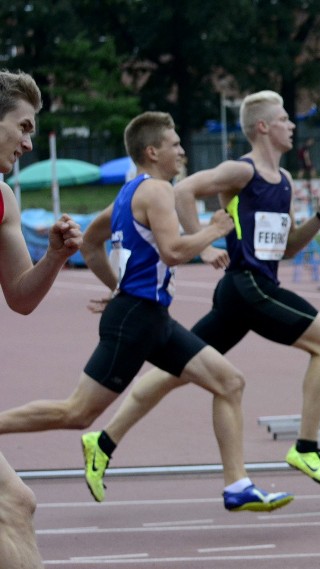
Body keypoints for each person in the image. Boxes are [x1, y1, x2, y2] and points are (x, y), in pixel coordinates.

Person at [0, 110, 293, 514]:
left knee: (229, 382)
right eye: (175, 145)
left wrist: (119, 286)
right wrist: (212, 231)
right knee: (77, 413)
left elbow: (90, 245)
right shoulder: (156, 190)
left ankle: (238, 486)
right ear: (153, 151)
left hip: (152, 317)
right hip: (136, 319)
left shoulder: (127, 193)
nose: (182, 151)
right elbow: (173, 251)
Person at [81, 90, 320, 500]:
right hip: (247, 286)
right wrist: (203, 245)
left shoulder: (287, 181)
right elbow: (184, 190)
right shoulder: (241, 172)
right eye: (284, 119)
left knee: (173, 373)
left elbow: (288, 248)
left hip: (247, 293)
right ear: (263, 127)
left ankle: (104, 441)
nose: (292, 125)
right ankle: (306, 447)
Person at [0, 69, 82, 569]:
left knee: (16, 505)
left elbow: (20, 297)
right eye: (23, 127)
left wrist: (53, 256)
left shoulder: (3, 198)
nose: (29, 142)